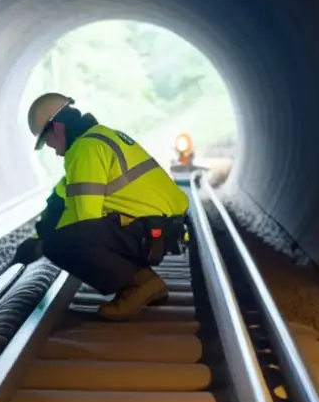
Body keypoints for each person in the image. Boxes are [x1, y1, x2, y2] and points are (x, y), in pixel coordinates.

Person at [12, 92, 190, 320]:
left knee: (60, 242)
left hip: (147, 230)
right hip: (163, 227)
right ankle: (144, 282)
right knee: (60, 235)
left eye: (49, 143)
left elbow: (84, 218)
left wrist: (43, 243)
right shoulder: (102, 137)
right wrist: (43, 228)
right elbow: (64, 193)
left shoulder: (84, 149)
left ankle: (140, 284)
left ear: (56, 128)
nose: (55, 151)